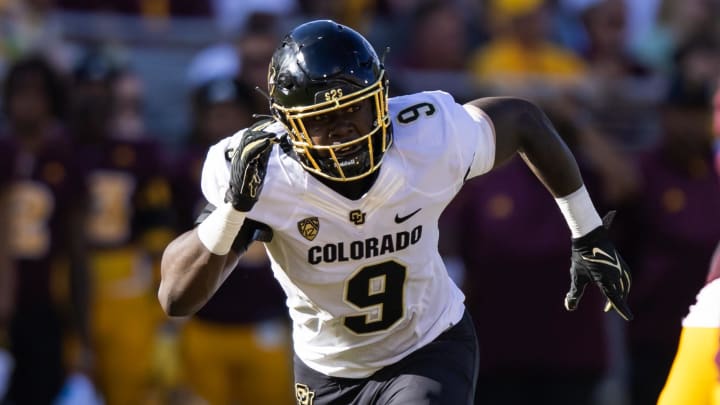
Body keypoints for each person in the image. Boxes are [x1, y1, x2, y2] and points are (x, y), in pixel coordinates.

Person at [158, 19, 633, 404]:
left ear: (382, 101)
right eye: (321, 120)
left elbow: (525, 120)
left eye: (354, 110)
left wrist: (587, 231)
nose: (342, 130)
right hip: (326, 370)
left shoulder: (426, 135)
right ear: (288, 126)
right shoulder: (263, 172)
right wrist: (233, 210)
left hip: (428, 345)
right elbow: (176, 298)